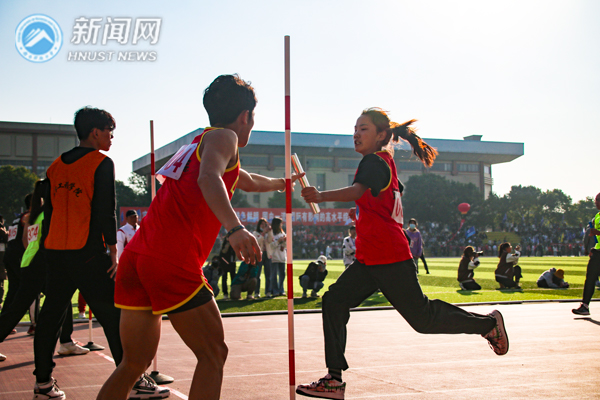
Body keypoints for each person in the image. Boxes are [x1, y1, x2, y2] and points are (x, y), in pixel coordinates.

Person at [98, 74, 302, 400]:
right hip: (171, 259)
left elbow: (244, 179)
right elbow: (210, 178)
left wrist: (280, 183)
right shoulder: (226, 137)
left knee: (133, 362)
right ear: (245, 117)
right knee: (213, 354)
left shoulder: (199, 143)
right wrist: (235, 229)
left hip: (138, 258)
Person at [297, 108, 508, 400]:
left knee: (423, 320)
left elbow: (359, 190)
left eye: (364, 129)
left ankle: (488, 324)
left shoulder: (374, 161)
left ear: (381, 135)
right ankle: (334, 380)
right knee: (334, 301)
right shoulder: (383, 164)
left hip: (390, 258)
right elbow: (381, 197)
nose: (356, 134)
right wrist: (362, 210)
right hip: (370, 259)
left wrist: (321, 196)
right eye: (355, 129)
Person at [34, 107, 162, 400]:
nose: (112, 137)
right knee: (112, 316)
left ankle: (43, 384)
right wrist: (113, 250)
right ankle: (133, 380)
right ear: (95, 132)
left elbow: (49, 214)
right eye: (109, 131)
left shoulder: (55, 167)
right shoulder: (101, 163)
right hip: (88, 252)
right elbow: (106, 209)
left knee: (51, 316)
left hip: (55, 251)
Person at [0, 180, 90, 362]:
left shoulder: (33, 215)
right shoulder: (49, 214)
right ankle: (65, 342)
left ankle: (66, 341)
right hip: (40, 265)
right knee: (26, 306)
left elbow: (26, 240)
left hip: (29, 262)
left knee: (22, 306)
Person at [1, 194, 31, 320]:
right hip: (19, 256)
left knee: (13, 290)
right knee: (29, 288)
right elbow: (25, 238)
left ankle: (4, 320)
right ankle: (34, 324)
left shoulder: (17, 219)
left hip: (10, 255)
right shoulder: (28, 217)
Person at [572, 193, 600, 316]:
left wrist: (598, 232)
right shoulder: (597, 216)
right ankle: (585, 306)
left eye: (598, 200)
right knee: (590, 279)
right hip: (598, 251)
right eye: (595, 200)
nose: (596, 202)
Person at [252, 218, 273, 298]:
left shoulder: (267, 233)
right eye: (262, 224)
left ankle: (268, 291)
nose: (263, 226)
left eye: (265, 225)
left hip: (267, 255)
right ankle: (256, 292)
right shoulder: (255, 233)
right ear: (259, 225)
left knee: (268, 274)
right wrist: (263, 233)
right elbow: (257, 242)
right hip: (259, 255)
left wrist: (270, 231)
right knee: (257, 274)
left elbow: (270, 240)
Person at [269, 217, 287, 297]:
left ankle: (281, 289)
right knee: (274, 275)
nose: (281, 225)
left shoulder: (282, 233)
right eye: (280, 223)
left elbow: (286, 246)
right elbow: (271, 246)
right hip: (274, 257)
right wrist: (278, 241)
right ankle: (275, 290)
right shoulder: (271, 234)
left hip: (282, 257)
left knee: (282, 274)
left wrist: (284, 242)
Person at [219, 236, 237, 300]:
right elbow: (223, 252)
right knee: (224, 279)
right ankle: (225, 294)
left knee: (233, 278)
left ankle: (234, 293)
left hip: (232, 264)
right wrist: (228, 243)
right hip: (224, 264)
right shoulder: (225, 244)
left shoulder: (234, 244)